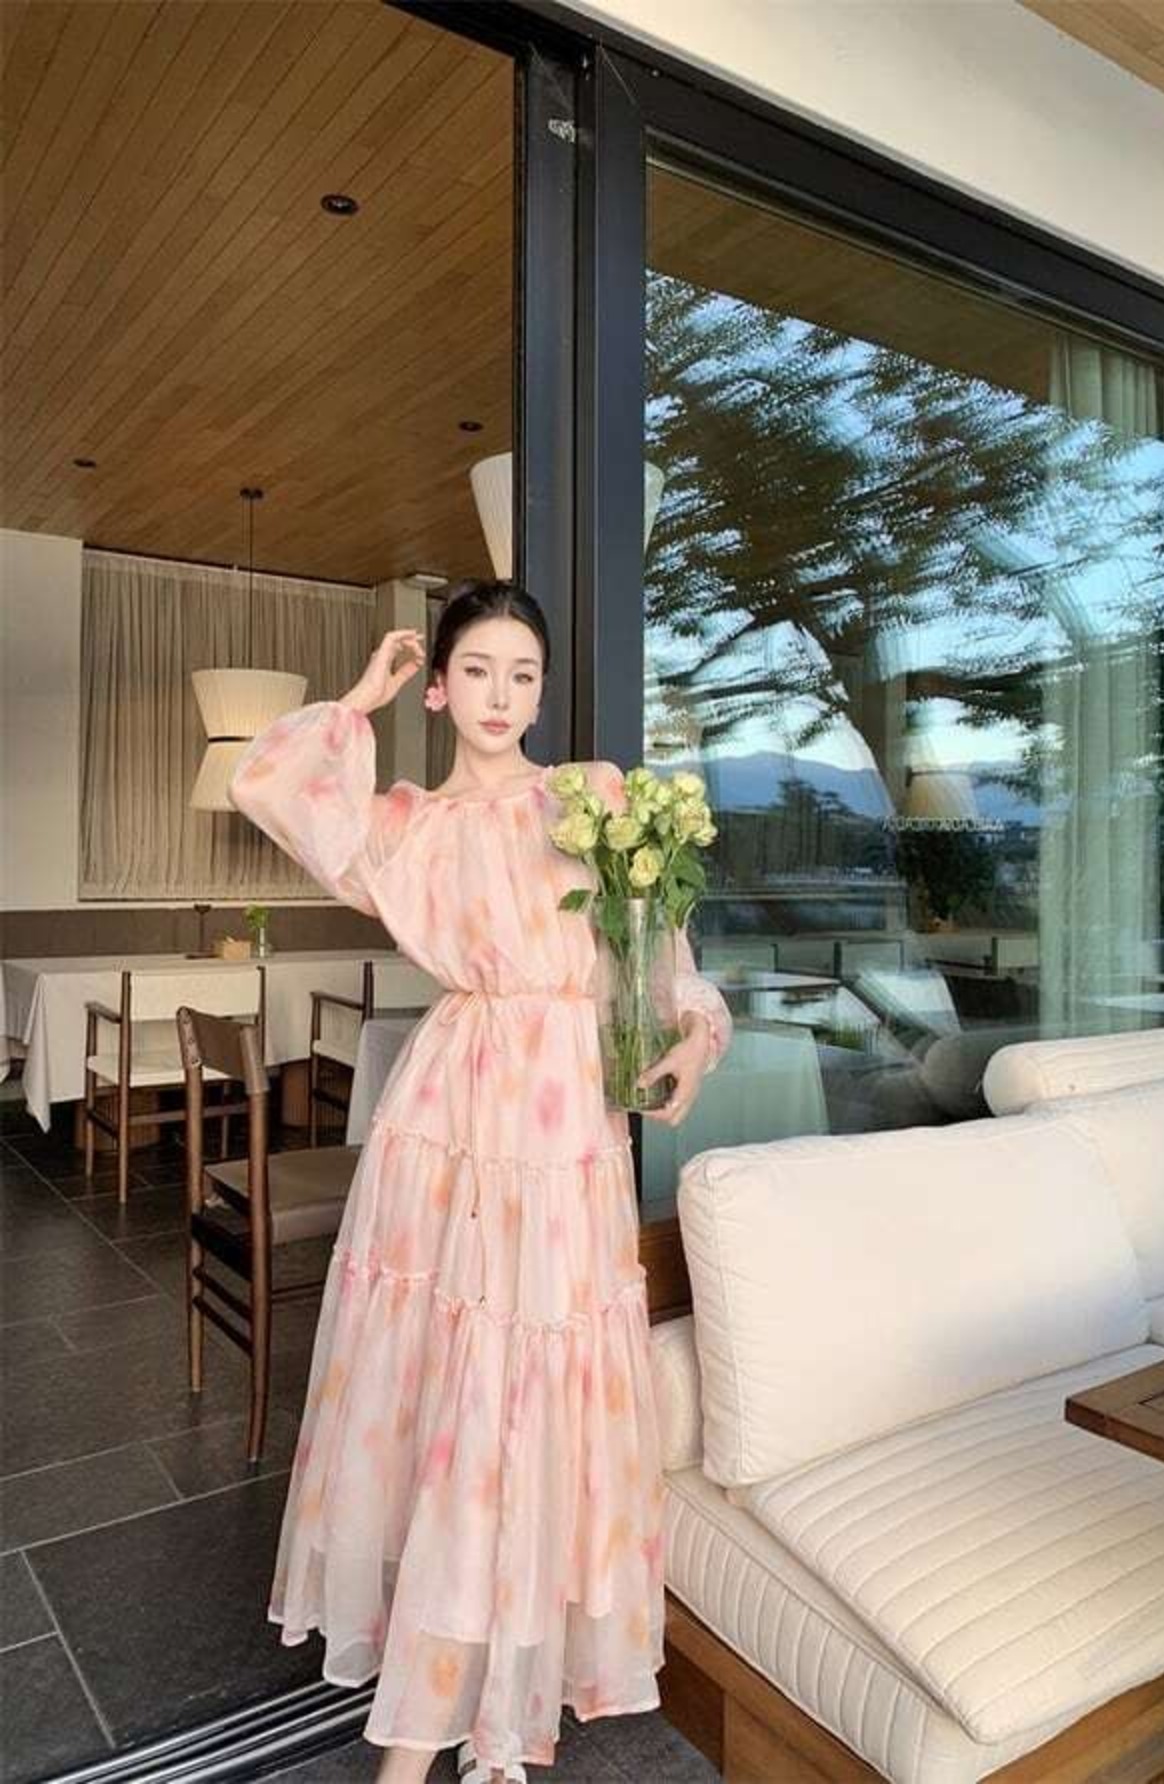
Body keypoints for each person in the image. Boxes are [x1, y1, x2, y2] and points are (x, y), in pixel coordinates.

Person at [227, 579, 733, 1784]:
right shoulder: (402, 825)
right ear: (440, 685)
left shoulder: (592, 797)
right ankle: (426, 1720)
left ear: (539, 690)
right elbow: (270, 785)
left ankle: (496, 1689)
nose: (501, 694)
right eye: (476, 670)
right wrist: (359, 698)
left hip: (562, 1125)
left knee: (528, 1379)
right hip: (450, 1115)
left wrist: (691, 1037)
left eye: (522, 673)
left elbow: (661, 956)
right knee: (449, 1385)